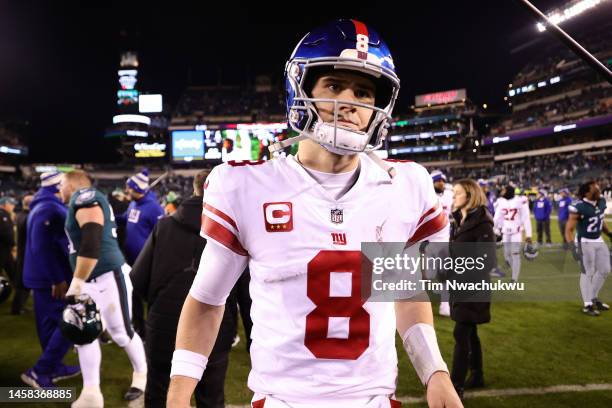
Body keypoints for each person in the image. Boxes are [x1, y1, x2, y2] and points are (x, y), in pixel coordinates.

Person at [168, 19, 462, 408]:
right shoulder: (246, 186)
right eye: (334, 86)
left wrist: (435, 372)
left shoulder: (403, 186)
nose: (350, 103)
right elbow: (207, 302)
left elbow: (405, 294)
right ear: (301, 89)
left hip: (374, 400)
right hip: (283, 401)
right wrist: (178, 392)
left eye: (363, 92)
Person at [131, 170, 238, 408]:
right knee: (210, 397)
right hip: (214, 326)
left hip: (163, 324)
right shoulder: (233, 229)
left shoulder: (164, 226)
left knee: (158, 392)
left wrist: (151, 313)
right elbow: (246, 290)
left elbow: (138, 280)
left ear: (195, 188)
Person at [59, 170, 147, 408]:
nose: (59, 189)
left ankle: (142, 375)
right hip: (89, 278)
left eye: (61, 184)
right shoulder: (78, 201)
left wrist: (76, 282)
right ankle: (91, 393)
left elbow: (92, 240)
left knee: (121, 332)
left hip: (108, 276)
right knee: (84, 334)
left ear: (74, 184)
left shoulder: (84, 195)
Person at [21, 173, 79, 388]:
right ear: (58, 187)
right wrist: (57, 279)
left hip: (43, 277)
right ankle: (40, 371)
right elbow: (41, 247)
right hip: (50, 279)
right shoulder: (49, 208)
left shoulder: (43, 204)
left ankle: (52, 366)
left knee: (49, 325)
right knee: (69, 323)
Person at [448, 179, 495, 399]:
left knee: (462, 331)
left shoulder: (483, 222)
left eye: (457, 194)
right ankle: (477, 374)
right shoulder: (459, 218)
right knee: (470, 331)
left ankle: (455, 386)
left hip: (474, 285)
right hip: (460, 283)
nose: (453, 197)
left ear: (469, 195)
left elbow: (487, 260)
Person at [117, 169, 164, 340]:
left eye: (129, 188)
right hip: (131, 260)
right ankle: (139, 328)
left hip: (146, 261)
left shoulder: (153, 207)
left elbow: (162, 233)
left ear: (136, 188)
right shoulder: (133, 203)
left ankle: (153, 330)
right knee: (134, 295)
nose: (126, 191)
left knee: (151, 297)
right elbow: (125, 218)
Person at [565, 180, 611, 317]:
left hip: (598, 239)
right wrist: (573, 248)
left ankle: (594, 298)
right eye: (595, 189)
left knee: (605, 270)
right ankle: (587, 304)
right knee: (587, 272)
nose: (598, 191)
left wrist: (609, 233)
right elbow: (569, 230)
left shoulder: (601, 202)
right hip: (584, 241)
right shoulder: (579, 207)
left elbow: (600, 220)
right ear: (586, 193)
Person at [494, 185, 533, 282]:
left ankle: (514, 278)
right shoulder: (501, 201)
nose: (502, 192)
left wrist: (529, 234)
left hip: (516, 231)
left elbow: (526, 218)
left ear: (508, 192)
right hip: (505, 231)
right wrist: (495, 229)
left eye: (504, 190)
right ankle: (512, 267)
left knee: (515, 254)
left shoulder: (520, 201)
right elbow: (497, 217)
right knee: (507, 254)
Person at [431, 170, 453, 317]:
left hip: (441, 239)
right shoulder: (425, 196)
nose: (442, 183)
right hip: (424, 238)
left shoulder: (449, 196)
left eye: (443, 181)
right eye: (438, 180)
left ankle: (445, 305)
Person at [12, 193, 33, 315]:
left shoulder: (19, 215)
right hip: (27, 253)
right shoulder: (29, 217)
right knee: (24, 282)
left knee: (21, 280)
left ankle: (18, 306)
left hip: (21, 252)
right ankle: (17, 308)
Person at [0, 196, 17, 297]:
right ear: (5, 205)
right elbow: (5, 233)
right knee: (12, 270)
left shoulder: (6, 214)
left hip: (5, 249)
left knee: (13, 270)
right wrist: (13, 244)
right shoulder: (2, 215)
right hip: (2, 249)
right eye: (11, 204)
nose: (13, 206)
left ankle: (18, 290)